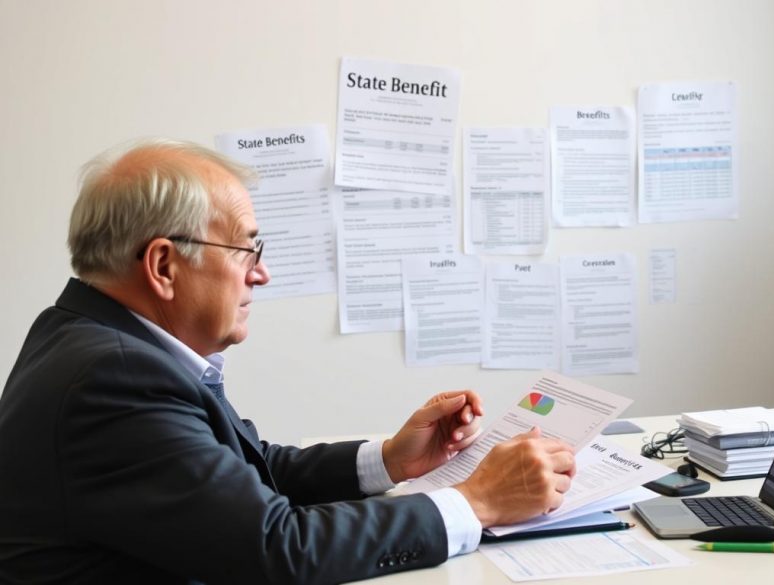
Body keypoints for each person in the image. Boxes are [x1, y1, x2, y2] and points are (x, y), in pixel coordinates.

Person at [0, 139, 577, 584]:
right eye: (246, 248)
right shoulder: (115, 377)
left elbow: (244, 474)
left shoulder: (92, 338)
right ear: (164, 266)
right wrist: (476, 501)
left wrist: (390, 461)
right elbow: (277, 550)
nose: (261, 272)